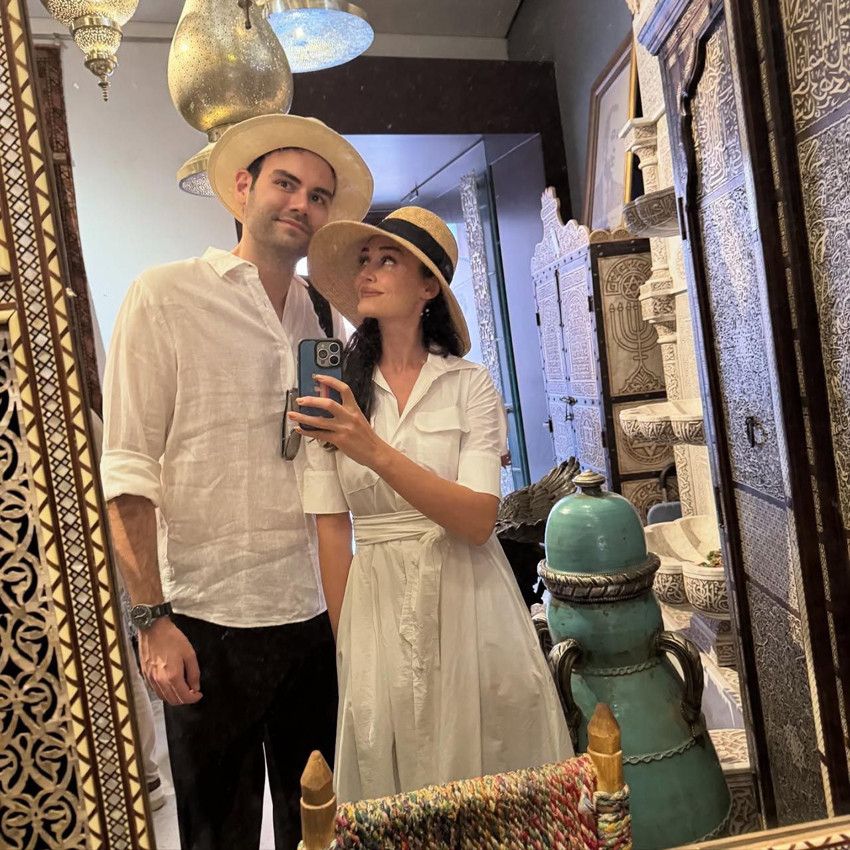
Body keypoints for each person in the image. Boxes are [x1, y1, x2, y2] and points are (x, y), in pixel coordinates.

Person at [100, 114, 373, 850]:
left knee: (319, 829)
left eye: (319, 196)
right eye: (286, 183)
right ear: (243, 188)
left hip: (310, 614)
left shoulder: (323, 315)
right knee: (217, 836)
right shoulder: (164, 295)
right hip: (204, 620)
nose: (301, 204)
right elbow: (127, 472)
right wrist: (151, 620)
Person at [289, 206, 573, 802]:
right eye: (364, 260)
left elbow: (477, 519)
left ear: (427, 288)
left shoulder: (469, 385)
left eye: (387, 260)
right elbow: (332, 531)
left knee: (485, 774)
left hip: (470, 597)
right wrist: (347, 647)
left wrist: (372, 449)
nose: (368, 271)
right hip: (374, 606)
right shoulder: (335, 396)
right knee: (392, 780)